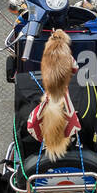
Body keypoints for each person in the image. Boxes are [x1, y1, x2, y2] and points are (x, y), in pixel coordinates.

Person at [27, 29, 80, 158]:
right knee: (68, 116)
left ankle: (47, 141)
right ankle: (68, 143)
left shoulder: (46, 53)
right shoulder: (67, 54)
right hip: (62, 91)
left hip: (50, 91)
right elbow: (75, 69)